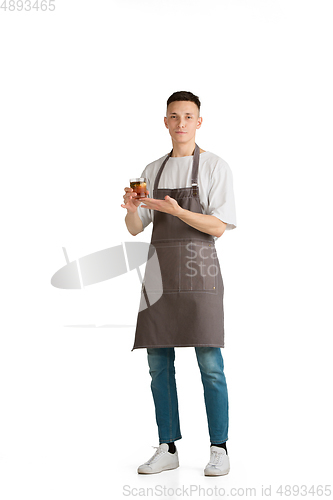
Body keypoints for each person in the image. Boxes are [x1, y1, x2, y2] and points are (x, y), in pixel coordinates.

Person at [121, 91, 237, 476]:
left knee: (210, 363)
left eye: (189, 116)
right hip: (160, 275)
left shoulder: (215, 167)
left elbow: (218, 226)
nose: (182, 122)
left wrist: (179, 211)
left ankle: (219, 447)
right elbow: (137, 229)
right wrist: (133, 210)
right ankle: (167, 446)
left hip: (199, 271)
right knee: (158, 363)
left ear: (199, 122)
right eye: (175, 116)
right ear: (166, 122)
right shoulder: (152, 170)